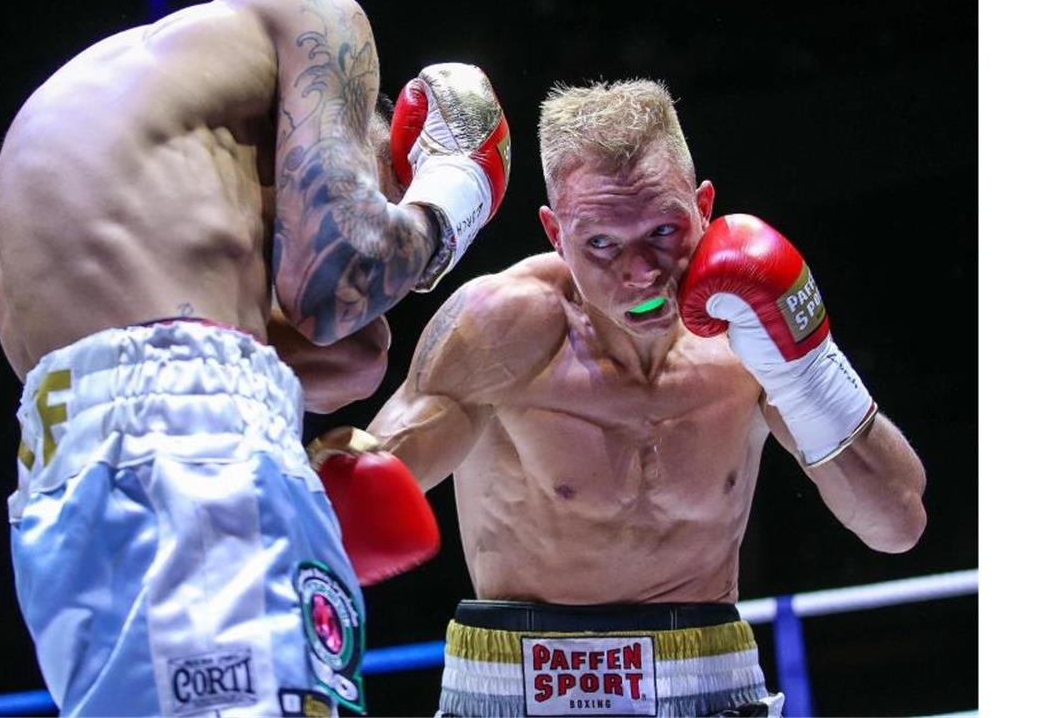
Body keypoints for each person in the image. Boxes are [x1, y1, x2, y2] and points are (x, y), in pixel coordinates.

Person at [0, 0, 511, 716]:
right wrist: (455, 197)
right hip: (192, 453)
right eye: (377, 186)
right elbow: (345, 273)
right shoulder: (315, 16)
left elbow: (349, 353)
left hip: (67, 493)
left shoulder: (135, 149)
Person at [322, 79, 928, 717]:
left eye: (663, 230)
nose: (641, 273)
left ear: (703, 206)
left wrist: (808, 370)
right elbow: (354, 497)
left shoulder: (745, 331)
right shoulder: (501, 328)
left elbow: (896, 524)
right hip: (520, 687)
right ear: (555, 233)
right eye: (602, 244)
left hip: (711, 686)